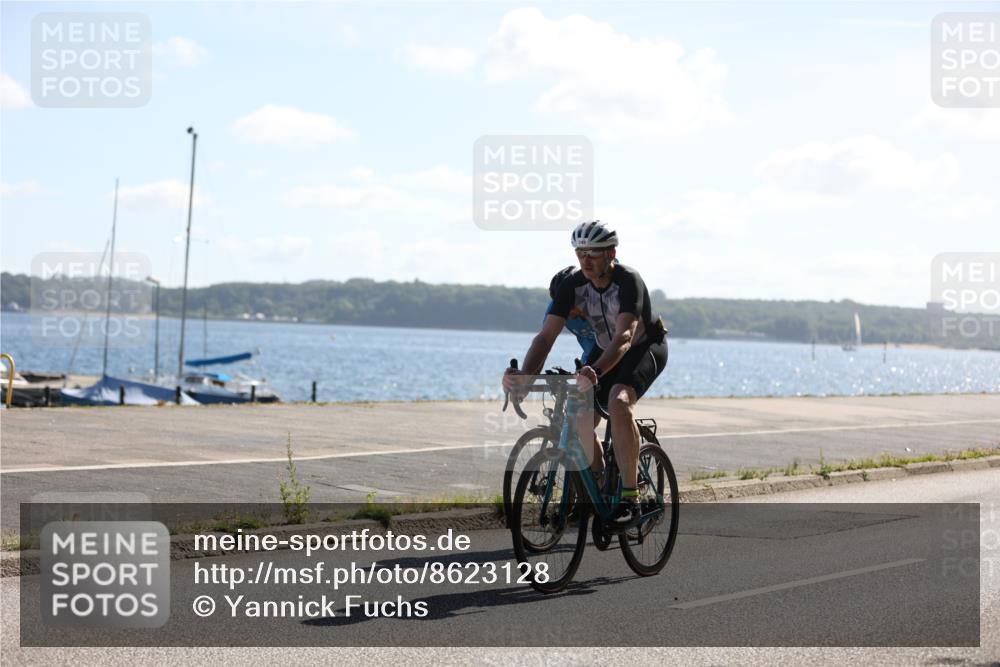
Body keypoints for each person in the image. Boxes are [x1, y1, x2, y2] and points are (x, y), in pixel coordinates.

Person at [503, 221, 667, 528]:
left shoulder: (629, 280)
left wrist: (596, 371)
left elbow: (625, 337)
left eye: (593, 253)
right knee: (578, 419)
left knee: (619, 402)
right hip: (604, 353)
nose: (586, 260)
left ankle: (630, 499)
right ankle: (599, 486)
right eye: (581, 253)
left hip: (643, 348)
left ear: (611, 253)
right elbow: (545, 336)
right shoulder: (573, 285)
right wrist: (524, 376)